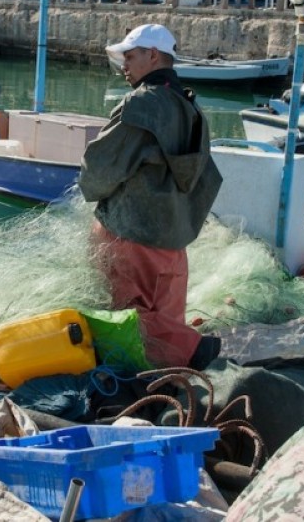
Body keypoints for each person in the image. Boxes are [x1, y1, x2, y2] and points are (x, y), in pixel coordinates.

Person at [78, 24, 224, 370]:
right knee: (167, 317)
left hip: (131, 234)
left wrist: (91, 189)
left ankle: (193, 352)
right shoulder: (191, 107)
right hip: (173, 239)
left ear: (153, 56)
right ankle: (172, 380)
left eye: (130, 57)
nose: (124, 65)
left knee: (124, 317)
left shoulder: (140, 104)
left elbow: (98, 171)